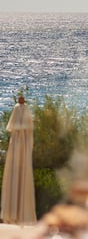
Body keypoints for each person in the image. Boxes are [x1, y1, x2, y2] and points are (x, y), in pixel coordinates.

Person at [1, 95, 36, 225]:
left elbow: (14, 126)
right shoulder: (21, 139)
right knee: (20, 176)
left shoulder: (15, 140)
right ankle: (18, 214)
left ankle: (14, 213)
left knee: (15, 176)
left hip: (18, 144)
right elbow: (28, 126)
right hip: (22, 144)